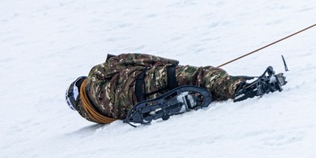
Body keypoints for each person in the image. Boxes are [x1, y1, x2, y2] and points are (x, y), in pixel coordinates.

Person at [65, 53, 285, 125]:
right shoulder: (95, 76)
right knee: (202, 76)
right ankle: (242, 87)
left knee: (199, 87)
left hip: (142, 105)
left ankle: (237, 87)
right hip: (149, 79)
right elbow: (131, 60)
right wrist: (171, 64)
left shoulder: (96, 115)